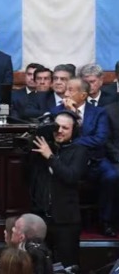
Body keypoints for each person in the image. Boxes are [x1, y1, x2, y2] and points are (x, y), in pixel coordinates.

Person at [51, 78, 117, 236]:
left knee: (112, 176)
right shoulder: (56, 111)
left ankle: (106, 221)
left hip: (94, 159)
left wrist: (75, 140)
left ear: (83, 95)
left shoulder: (99, 112)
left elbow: (100, 139)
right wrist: (70, 113)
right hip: (68, 159)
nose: (66, 93)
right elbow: (56, 137)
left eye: (71, 90)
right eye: (66, 89)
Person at [26, 111, 86, 267]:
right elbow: (27, 175)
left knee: (68, 265)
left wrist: (50, 157)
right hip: (41, 218)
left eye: (65, 128)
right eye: (56, 126)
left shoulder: (79, 150)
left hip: (66, 220)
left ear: (74, 130)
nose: (59, 131)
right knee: (40, 265)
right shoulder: (42, 149)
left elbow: (71, 176)